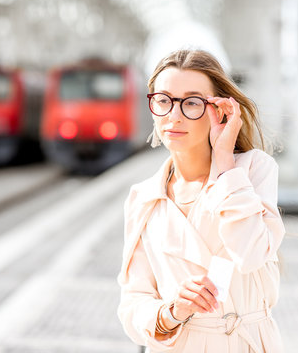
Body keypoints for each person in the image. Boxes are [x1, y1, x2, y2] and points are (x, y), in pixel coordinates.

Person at [117, 49, 285, 352]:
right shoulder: (143, 198)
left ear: (218, 110)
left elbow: (251, 253)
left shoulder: (253, 170)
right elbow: (133, 303)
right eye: (163, 100)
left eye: (192, 102)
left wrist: (224, 161)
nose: (174, 115)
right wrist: (172, 311)